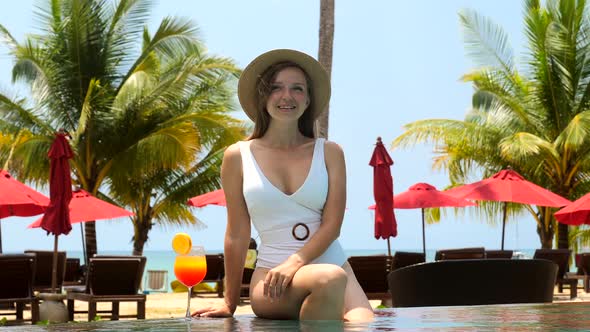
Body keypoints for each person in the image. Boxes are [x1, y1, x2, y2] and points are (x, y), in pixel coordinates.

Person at [193, 49, 374, 321]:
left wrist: (296, 262)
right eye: (276, 88)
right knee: (328, 279)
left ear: (308, 99)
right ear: (263, 97)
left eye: (297, 89)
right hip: (272, 278)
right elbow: (237, 234)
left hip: (335, 264)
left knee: (361, 322)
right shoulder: (237, 156)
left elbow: (333, 225)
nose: (286, 96)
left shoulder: (330, 152)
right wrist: (229, 303)